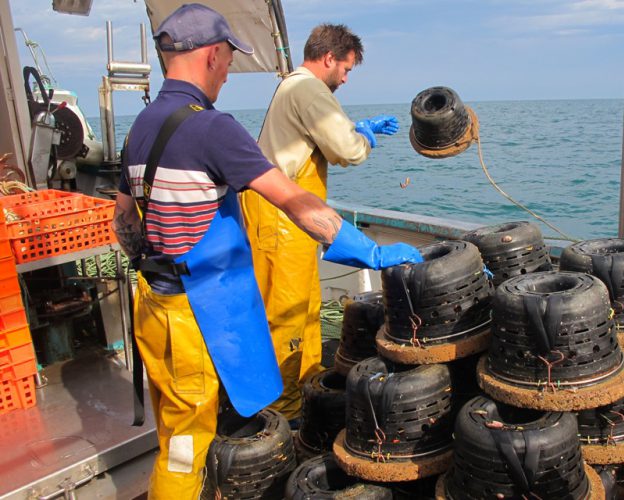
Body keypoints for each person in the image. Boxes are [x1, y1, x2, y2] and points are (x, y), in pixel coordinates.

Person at [112, 4, 421, 497]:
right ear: (211, 55)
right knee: (185, 446)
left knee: (180, 424)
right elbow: (299, 204)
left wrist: (156, 263)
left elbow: (125, 218)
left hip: (151, 301)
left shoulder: (142, 126)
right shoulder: (212, 127)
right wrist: (371, 253)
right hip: (193, 313)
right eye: (229, 61)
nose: (229, 75)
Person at [240, 24, 399, 420]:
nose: (345, 78)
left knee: (305, 305)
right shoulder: (309, 89)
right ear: (329, 58)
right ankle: (281, 411)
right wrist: (363, 140)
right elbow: (346, 150)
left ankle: (306, 387)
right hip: (279, 213)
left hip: (286, 213)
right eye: (345, 69)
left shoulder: (294, 87)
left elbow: (321, 134)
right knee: (286, 310)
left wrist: (356, 127)